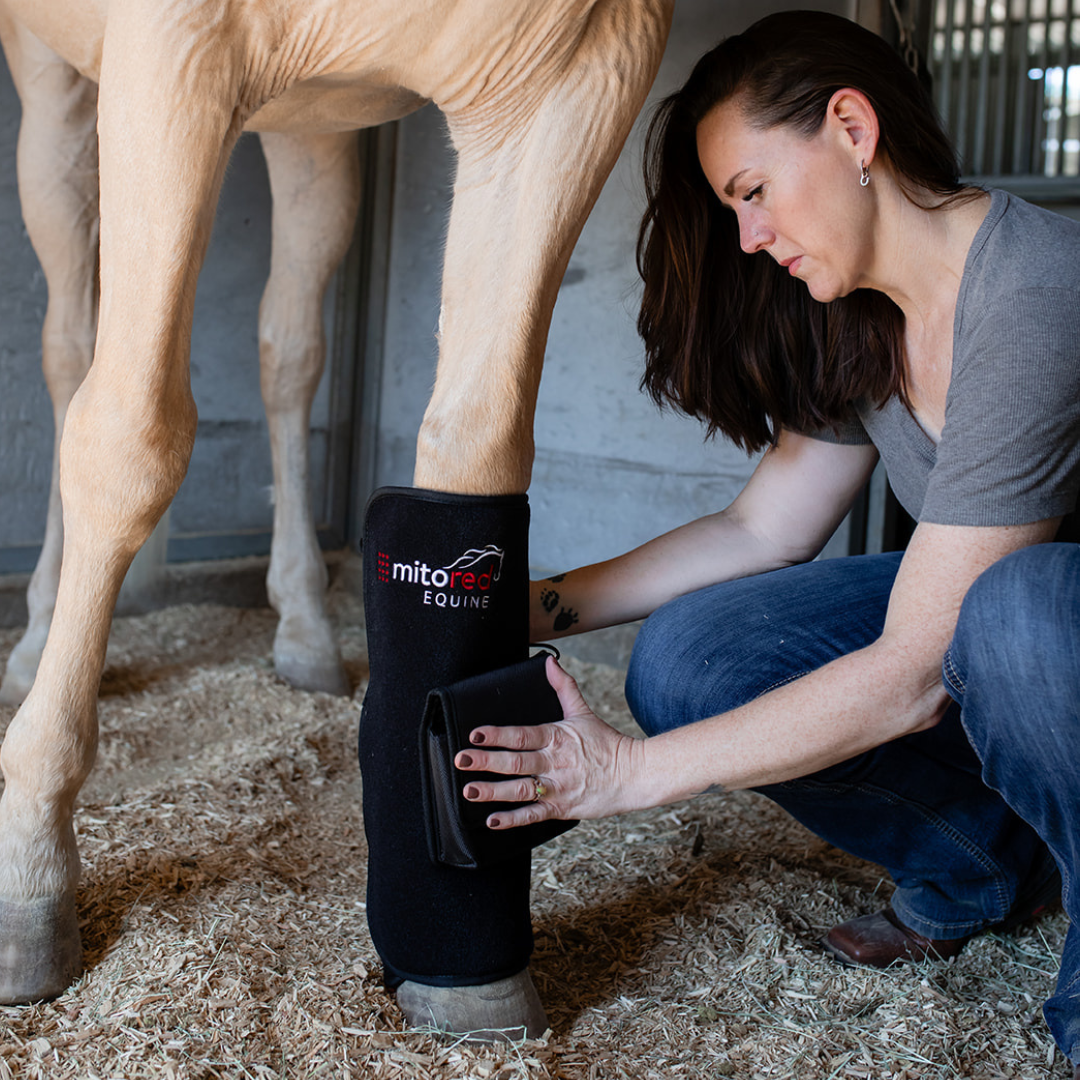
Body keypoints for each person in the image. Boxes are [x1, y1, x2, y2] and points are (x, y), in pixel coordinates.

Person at [453, 10, 1080, 1074]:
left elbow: (913, 675)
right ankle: (983, 862)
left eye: (753, 192)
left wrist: (630, 775)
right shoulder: (863, 313)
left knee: (1008, 614)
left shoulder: (1038, 289)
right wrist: (530, 603)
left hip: (1039, 627)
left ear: (851, 128)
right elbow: (761, 527)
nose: (748, 238)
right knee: (696, 656)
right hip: (1005, 622)